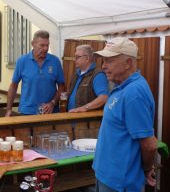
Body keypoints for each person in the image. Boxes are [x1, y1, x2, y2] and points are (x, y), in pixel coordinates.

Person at [92, 37, 157, 192]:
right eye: (103, 60)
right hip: (107, 176)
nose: (103, 66)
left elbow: (149, 144)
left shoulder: (133, 93)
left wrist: (147, 170)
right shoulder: (122, 87)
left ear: (128, 63)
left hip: (120, 182)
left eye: (109, 60)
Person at [5, 30, 65, 116]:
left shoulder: (55, 61)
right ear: (33, 44)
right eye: (42, 45)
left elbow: (62, 86)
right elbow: (13, 86)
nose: (45, 48)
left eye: (47, 45)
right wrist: (8, 109)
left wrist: (53, 102)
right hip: (27, 112)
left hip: (50, 112)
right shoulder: (22, 61)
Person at [67, 45, 109, 112]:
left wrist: (84, 108)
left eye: (77, 57)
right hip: (73, 118)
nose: (75, 59)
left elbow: (104, 97)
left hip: (86, 120)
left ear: (87, 58)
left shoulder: (98, 75)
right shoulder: (77, 73)